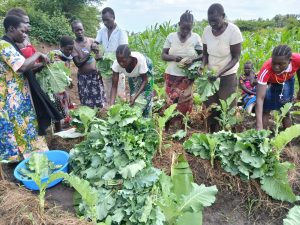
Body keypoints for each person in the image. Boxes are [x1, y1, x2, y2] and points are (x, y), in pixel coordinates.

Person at [0, 15, 49, 162]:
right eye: (22, 31)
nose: (25, 34)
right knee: (17, 130)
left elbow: (25, 68)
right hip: (10, 97)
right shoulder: (4, 45)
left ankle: (33, 159)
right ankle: (20, 164)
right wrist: (38, 54)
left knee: (27, 128)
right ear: (11, 29)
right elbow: (22, 66)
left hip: (19, 96)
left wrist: (41, 65)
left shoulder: (12, 45)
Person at [198, 3, 243, 132]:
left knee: (227, 105)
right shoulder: (207, 31)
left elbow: (235, 57)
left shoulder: (233, 31)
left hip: (227, 74)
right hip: (211, 74)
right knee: (211, 105)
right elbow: (205, 54)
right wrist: (202, 66)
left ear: (223, 16)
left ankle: (229, 133)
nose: (213, 24)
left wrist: (219, 73)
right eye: (210, 21)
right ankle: (213, 132)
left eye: (216, 21)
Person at [161, 10, 202, 124]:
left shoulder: (195, 38)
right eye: (183, 28)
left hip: (187, 76)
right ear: (179, 24)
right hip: (171, 75)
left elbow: (203, 55)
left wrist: (192, 60)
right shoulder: (171, 37)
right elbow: (163, 55)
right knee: (170, 101)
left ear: (192, 26)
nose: (185, 31)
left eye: (188, 28)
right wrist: (174, 58)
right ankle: (168, 124)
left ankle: (183, 126)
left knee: (185, 102)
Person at [256, 45, 300, 130]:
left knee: (285, 111)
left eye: (281, 64)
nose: (276, 67)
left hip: (288, 80)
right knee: (265, 108)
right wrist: (259, 126)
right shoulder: (266, 69)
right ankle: (262, 137)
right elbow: (259, 98)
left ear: (290, 61)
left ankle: (288, 140)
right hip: (271, 83)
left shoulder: (297, 59)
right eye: (274, 63)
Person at [95, 7, 128, 105]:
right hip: (106, 68)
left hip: (118, 66)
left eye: (107, 20)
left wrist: (104, 57)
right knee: (108, 92)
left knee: (120, 93)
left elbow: (123, 50)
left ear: (113, 17)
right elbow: (96, 43)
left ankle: (122, 114)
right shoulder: (101, 31)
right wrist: (95, 48)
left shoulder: (121, 31)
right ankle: (111, 114)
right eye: (103, 20)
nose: (105, 22)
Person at [110, 45, 153, 117]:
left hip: (145, 68)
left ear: (130, 57)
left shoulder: (140, 60)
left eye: (123, 61)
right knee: (133, 93)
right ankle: (136, 117)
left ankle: (146, 117)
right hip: (132, 74)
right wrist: (111, 105)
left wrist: (135, 97)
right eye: (119, 61)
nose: (121, 64)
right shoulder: (116, 64)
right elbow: (114, 86)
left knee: (146, 94)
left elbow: (145, 80)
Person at [71, 20, 105, 108]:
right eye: (77, 30)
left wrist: (98, 53)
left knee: (99, 100)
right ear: (73, 31)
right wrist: (90, 52)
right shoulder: (73, 45)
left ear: (83, 29)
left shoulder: (92, 41)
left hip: (95, 76)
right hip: (83, 78)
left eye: (81, 29)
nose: (79, 32)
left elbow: (99, 56)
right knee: (86, 102)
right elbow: (78, 63)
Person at [48, 36, 74, 131]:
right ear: (61, 47)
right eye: (68, 49)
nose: (70, 51)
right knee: (57, 105)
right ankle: (58, 128)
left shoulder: (66, 57)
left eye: (71, 49)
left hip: (62, 86)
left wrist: (69, 81)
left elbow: (66, 72)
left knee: (64, 104)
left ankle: (64, 124)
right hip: (54, 86)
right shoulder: (54, 56)